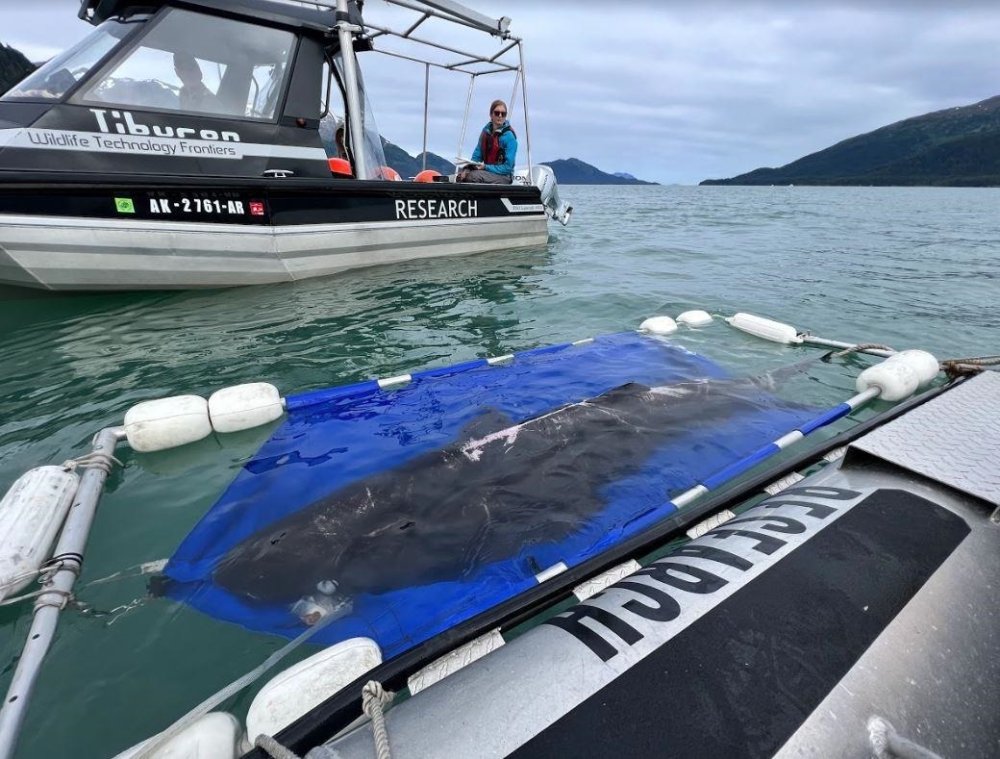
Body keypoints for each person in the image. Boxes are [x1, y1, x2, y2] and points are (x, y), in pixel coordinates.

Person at [457, 99, 517, 184]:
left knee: (472, 177)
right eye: (497, 113)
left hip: (504, 176)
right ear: (491, 115)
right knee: (461, 176)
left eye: (503, 114)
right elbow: (476, 157)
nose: (500, 116)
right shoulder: (485, 133)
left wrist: (485, 167)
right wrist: (467, 169)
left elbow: (508, 167)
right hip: (488, 173)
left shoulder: (509, 137)